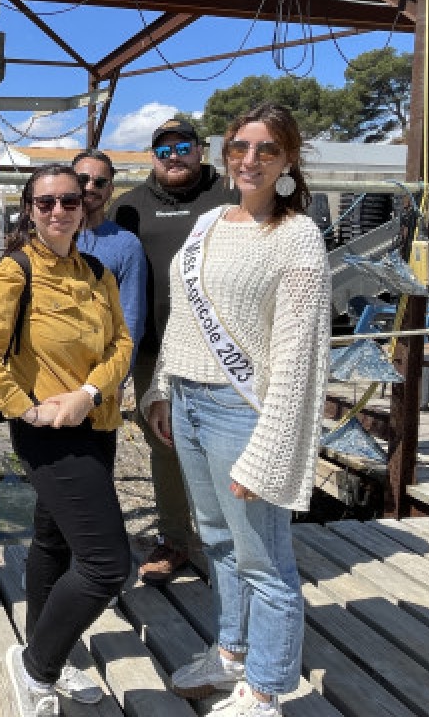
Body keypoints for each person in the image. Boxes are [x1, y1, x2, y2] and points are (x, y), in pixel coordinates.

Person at [141, 104, 330, 717]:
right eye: (240, 146)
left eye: (267, 150)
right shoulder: (211, 222)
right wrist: (162, 387)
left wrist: (272, 449)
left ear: (288, 161)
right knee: (218, 540)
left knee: (265, 558)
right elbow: (186, 319)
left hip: (242, 411)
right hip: (191, 403)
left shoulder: (297, 234)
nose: (250, 159)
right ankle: (231, 652)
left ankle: (268, 689)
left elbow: (299, 357)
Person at [0, 164, 133, 717]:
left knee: (55, 543)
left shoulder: (98, 272)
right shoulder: (13, 273)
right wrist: (27, 411)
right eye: (45, 203)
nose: (58, 211)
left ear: (83, 208)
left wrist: (88, 391)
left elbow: (122, 344)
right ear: (28, 210)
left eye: (69, 201)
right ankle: (37, 665)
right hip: (50, 436)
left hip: (98, 422)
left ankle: (47, 652)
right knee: (106, 565)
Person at [108, 118, 238, 585]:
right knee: (162, 446)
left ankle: (236, 541)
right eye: (163, 151)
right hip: (154, 353)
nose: (174, 157)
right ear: (152, 157)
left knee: (227, 445)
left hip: (222, 351)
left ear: (201, 150)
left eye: (183, 147)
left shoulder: (230, 196)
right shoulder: (128, 208)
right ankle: (176, 540)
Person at [72, 149, 147, 381]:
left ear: (110, 189)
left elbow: (130, 318)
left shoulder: (126, 245)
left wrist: (118, 377)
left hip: (98, 373)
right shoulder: (46, 238)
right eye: (83, 179)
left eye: (100, 182)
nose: (90, 187)